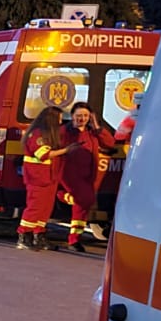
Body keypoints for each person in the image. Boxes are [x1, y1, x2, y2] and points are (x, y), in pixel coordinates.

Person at [59, 102, 116, 252]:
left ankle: (74, 237)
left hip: (88, 176)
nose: (82, 119)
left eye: (85, 116)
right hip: (68, 175)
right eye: (79, 115)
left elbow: (110, 143)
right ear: (72, 116)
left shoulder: (92, 132)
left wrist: (97, 126)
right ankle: (74, 240)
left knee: (84, 205)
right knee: (81, 203)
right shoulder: (64, 131)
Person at [17, 105, 68, 251]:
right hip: (38, 178)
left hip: (49, 178)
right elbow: (42, 154)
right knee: (35, 207)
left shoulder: (50, 135)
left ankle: (39, 235)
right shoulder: (37, 134)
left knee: (45, 209)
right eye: (59, 118)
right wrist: (66, 150)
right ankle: (24, 236)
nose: (61, 121)